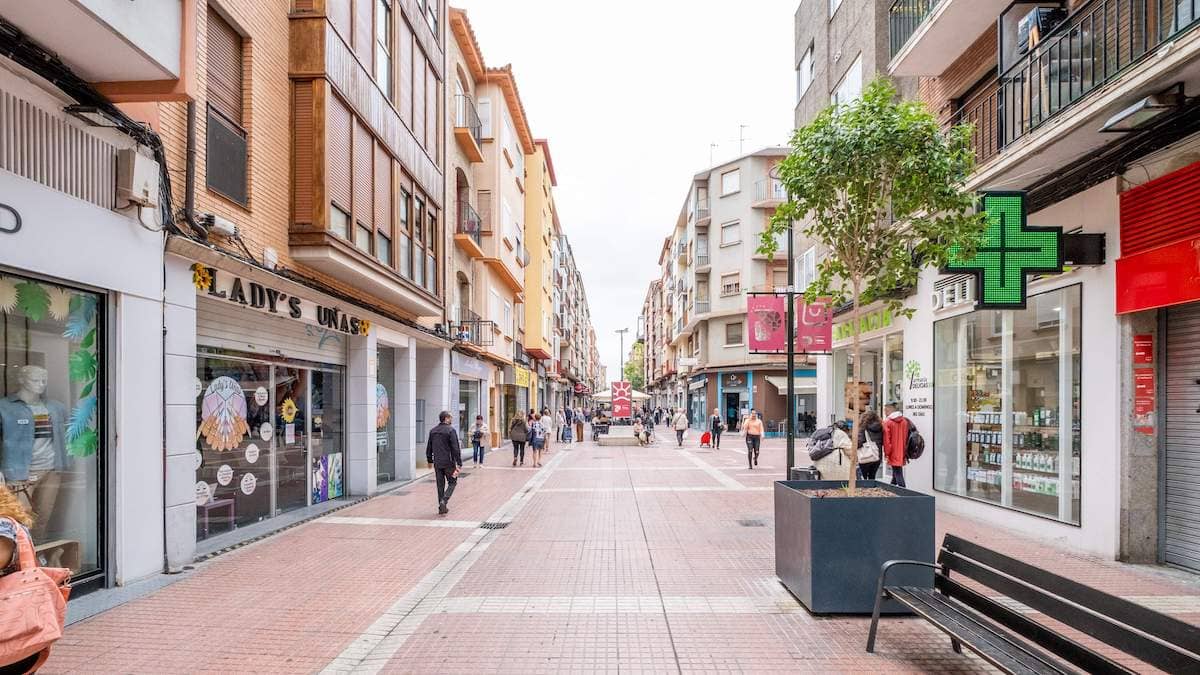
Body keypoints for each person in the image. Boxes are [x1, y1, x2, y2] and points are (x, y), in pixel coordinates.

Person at [425, 411, 463, 515]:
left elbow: (429, 447)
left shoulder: (433, 431)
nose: (452, 419)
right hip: (449, 462)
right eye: (450, 417)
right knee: (453, 482)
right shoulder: (451, 430)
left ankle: (442, 507)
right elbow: (455, 448)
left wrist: (429, 460)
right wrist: (459, 462)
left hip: (438, 462)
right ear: (446, 418)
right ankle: (444, 501)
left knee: (440, 485)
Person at [882, 402, 910, 488]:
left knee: (898, 474)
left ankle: (905, 494)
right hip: (902, 450)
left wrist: (886, 453)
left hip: (893, 452)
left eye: (885, 410)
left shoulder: (887, 422)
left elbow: (887, 440)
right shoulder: (905, 421)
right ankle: (890, 489)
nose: (884, 412)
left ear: (890, 409)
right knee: (896, 472)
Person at [857, 410, 884, 481]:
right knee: (872, 476)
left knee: (864, 478)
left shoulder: (863, 428)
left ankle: (866, 491)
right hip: (876, 456)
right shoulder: (881, 427)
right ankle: (871, 490)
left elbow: (859, 442)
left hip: (865, 456)